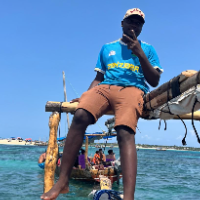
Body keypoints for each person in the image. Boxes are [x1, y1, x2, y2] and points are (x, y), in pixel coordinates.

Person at [41, 8, 163, 200]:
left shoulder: (148, 49)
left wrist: (139, 53)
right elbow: (98, 78)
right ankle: (63, 181)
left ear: (141, 28)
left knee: (124, 130)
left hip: (133, 88)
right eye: (130, 21)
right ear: (122, 23)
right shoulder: (107, 48)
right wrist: (86, 96)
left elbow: (154, 80)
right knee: (80, 115)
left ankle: (129, 196)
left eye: (138, 22)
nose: (134, 24)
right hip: (105, 88)